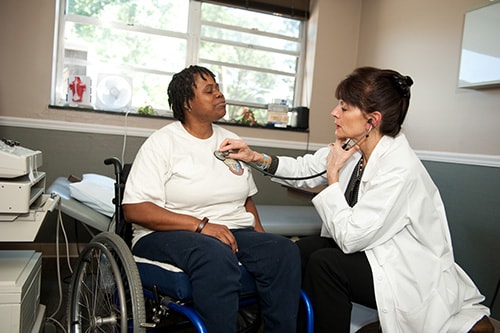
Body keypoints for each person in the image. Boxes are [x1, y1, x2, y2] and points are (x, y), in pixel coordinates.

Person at [219, 67, 494, 333]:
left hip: (405, 270)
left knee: (326, 265)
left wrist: (334, 176)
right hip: (372, 251)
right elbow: (305, 170)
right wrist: (254, 157)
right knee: (300, 251)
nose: (334, 113)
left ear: (371, 120)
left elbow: (351, 238)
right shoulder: (354, 146)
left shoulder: (399, 168)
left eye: (344, 107)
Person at [122, 65, 301, 333]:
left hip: (229, 231)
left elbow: (246, 201)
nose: (219, 94)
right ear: (187, 103)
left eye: (217, 88)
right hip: (165, 234)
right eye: (209, 90)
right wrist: (201, 226)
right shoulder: (163, 143)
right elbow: (134, 210)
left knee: (284, 250)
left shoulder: (230, 140)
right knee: (214, 255)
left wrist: (261, 235)